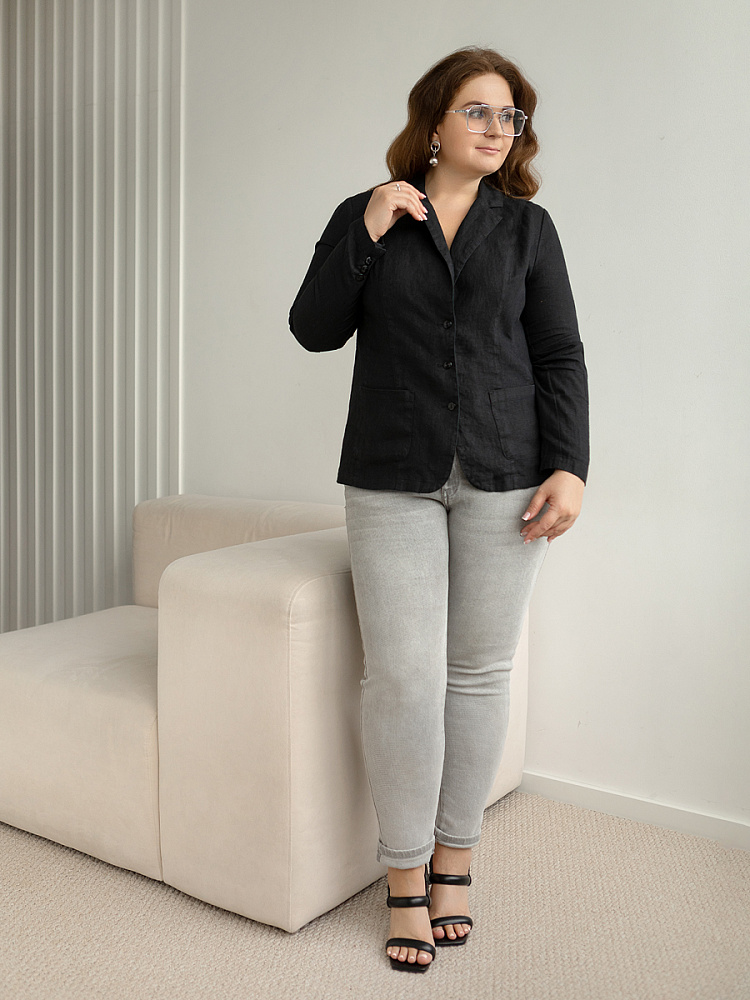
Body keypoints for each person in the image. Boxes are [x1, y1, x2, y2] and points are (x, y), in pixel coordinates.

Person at [288, 45, 589, 973]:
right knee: (403, 679)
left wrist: (570, 466)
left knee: (478, 673)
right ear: (434, 121)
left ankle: (455, 860)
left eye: (511, 116)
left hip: (508, 472)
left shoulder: (528, 229)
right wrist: (367, 230)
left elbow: (559, 354)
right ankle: (404, 875)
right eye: (479, 111)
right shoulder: (368, 213)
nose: (499, 130)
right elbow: (312, 329)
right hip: (392, 472)